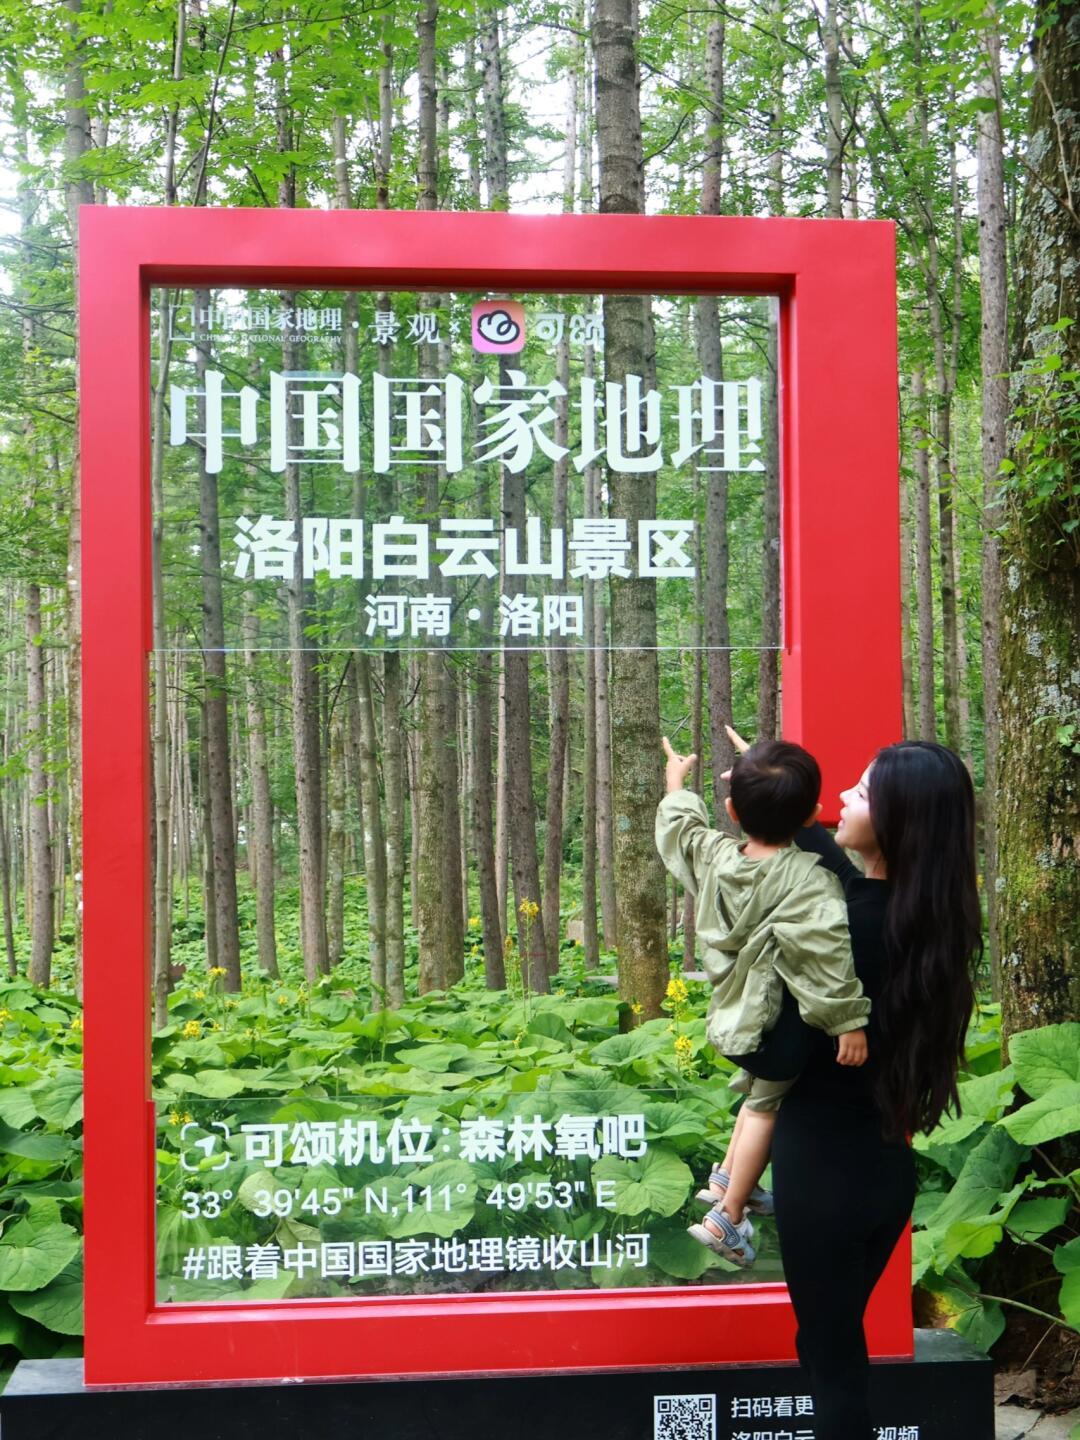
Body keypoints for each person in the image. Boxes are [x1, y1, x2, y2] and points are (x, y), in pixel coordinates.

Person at [725, 726, 981, 1440]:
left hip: (822, 1174)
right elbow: (841, 871)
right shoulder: (925, 922)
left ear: (897, 820)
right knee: (828, 1346)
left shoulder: (839, 931)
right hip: (881, 1173)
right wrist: (778, 797)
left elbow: (777, 1054)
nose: (842, 795)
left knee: (832, 1367)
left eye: (861, 791)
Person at [655, 735, 870, 1267]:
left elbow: (682, 830)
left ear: (731, 811)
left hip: (732, 1019)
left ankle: (729, 1180)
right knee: (765, 1107)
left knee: (756, 1091)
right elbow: (825, 957)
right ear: (813, 815)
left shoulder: (715, 855)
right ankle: (727, 1217)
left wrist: (676, 782)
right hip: (773, 1024)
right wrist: (847, 1021)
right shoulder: (809, 880)